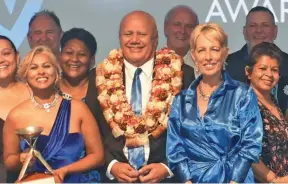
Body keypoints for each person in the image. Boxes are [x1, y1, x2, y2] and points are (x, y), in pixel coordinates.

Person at [85, 10, 195, 183]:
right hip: (114, 179)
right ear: (120, 37)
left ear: (155, 39)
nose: (134, 40)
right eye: (128, 34)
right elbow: (91, 129)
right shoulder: (99, 76)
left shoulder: (182, 75)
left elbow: (192, 130)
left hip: (165, 178)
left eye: (142, 34)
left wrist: (167, 167)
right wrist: (111, 165)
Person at [166, 23, 263, 183]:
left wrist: (235, 180)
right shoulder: (181, 100)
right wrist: (187, 181)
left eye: (215, 49)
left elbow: (251, 144)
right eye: (202, 50)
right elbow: (175, 148)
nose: (208, 56)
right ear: (194, 55)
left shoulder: (243, 94)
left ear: (225, 53)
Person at [3, 46, 104, 183]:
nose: (41, 72)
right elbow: (9, 161)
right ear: (25, 75)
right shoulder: (16, 115)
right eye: (33, 68)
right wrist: (21, 159)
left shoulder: (78, 108)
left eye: (46, 66)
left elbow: (97, 156)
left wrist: (66, 170)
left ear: (57, 72)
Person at [244, 42, 288, 183]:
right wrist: (275, 180)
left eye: (274, 70)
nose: (269, 74)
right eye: (262, 68)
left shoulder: (273, 101)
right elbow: (246, 152)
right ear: (248, 72)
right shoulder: (244, 103)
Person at [226, 6, 288, 82]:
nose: (259, 30)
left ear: (275, 31)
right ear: (245, 32)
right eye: (253, 25)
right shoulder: (226, 65)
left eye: (265, 25)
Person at [0, 35, 30, 182]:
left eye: (6, 53)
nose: (1, 59)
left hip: (38, 175)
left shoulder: (36, 91)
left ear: (17, 57)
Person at [59, 28, 96, 102]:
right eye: (69, 53)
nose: (74, 59)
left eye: (81, 54)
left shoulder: (103, 89)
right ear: (60, 56)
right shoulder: (49, 88)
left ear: (92, 59)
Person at [164, 5, 200, 77]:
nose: (182, 31)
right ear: (166, 27)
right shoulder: (151, 61)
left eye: (189, 26)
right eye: (177, 24)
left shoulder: (203, 65)